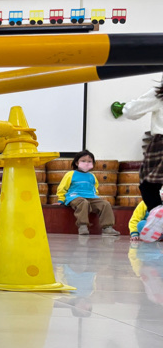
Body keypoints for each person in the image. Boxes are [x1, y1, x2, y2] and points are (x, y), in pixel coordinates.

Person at [121, 79, 163, 212]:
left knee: (148, 186)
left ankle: (158, 218)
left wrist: (127, 106)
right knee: (149, 186)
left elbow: (130, 111)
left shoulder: (159, 94)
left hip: (161, 143)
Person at [56, 150, 120, 236]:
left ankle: (108, 227)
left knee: (105, 204)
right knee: (83, 202)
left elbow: (95, 189)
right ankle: (83, 226)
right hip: (74, 197)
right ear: (76, 163)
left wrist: (95, 199)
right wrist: (61, 200)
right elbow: (62, 188)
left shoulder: (92, 176)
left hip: (91, 197)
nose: (86, 163)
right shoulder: (70, 174)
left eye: (89, 161)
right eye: (83, 161)